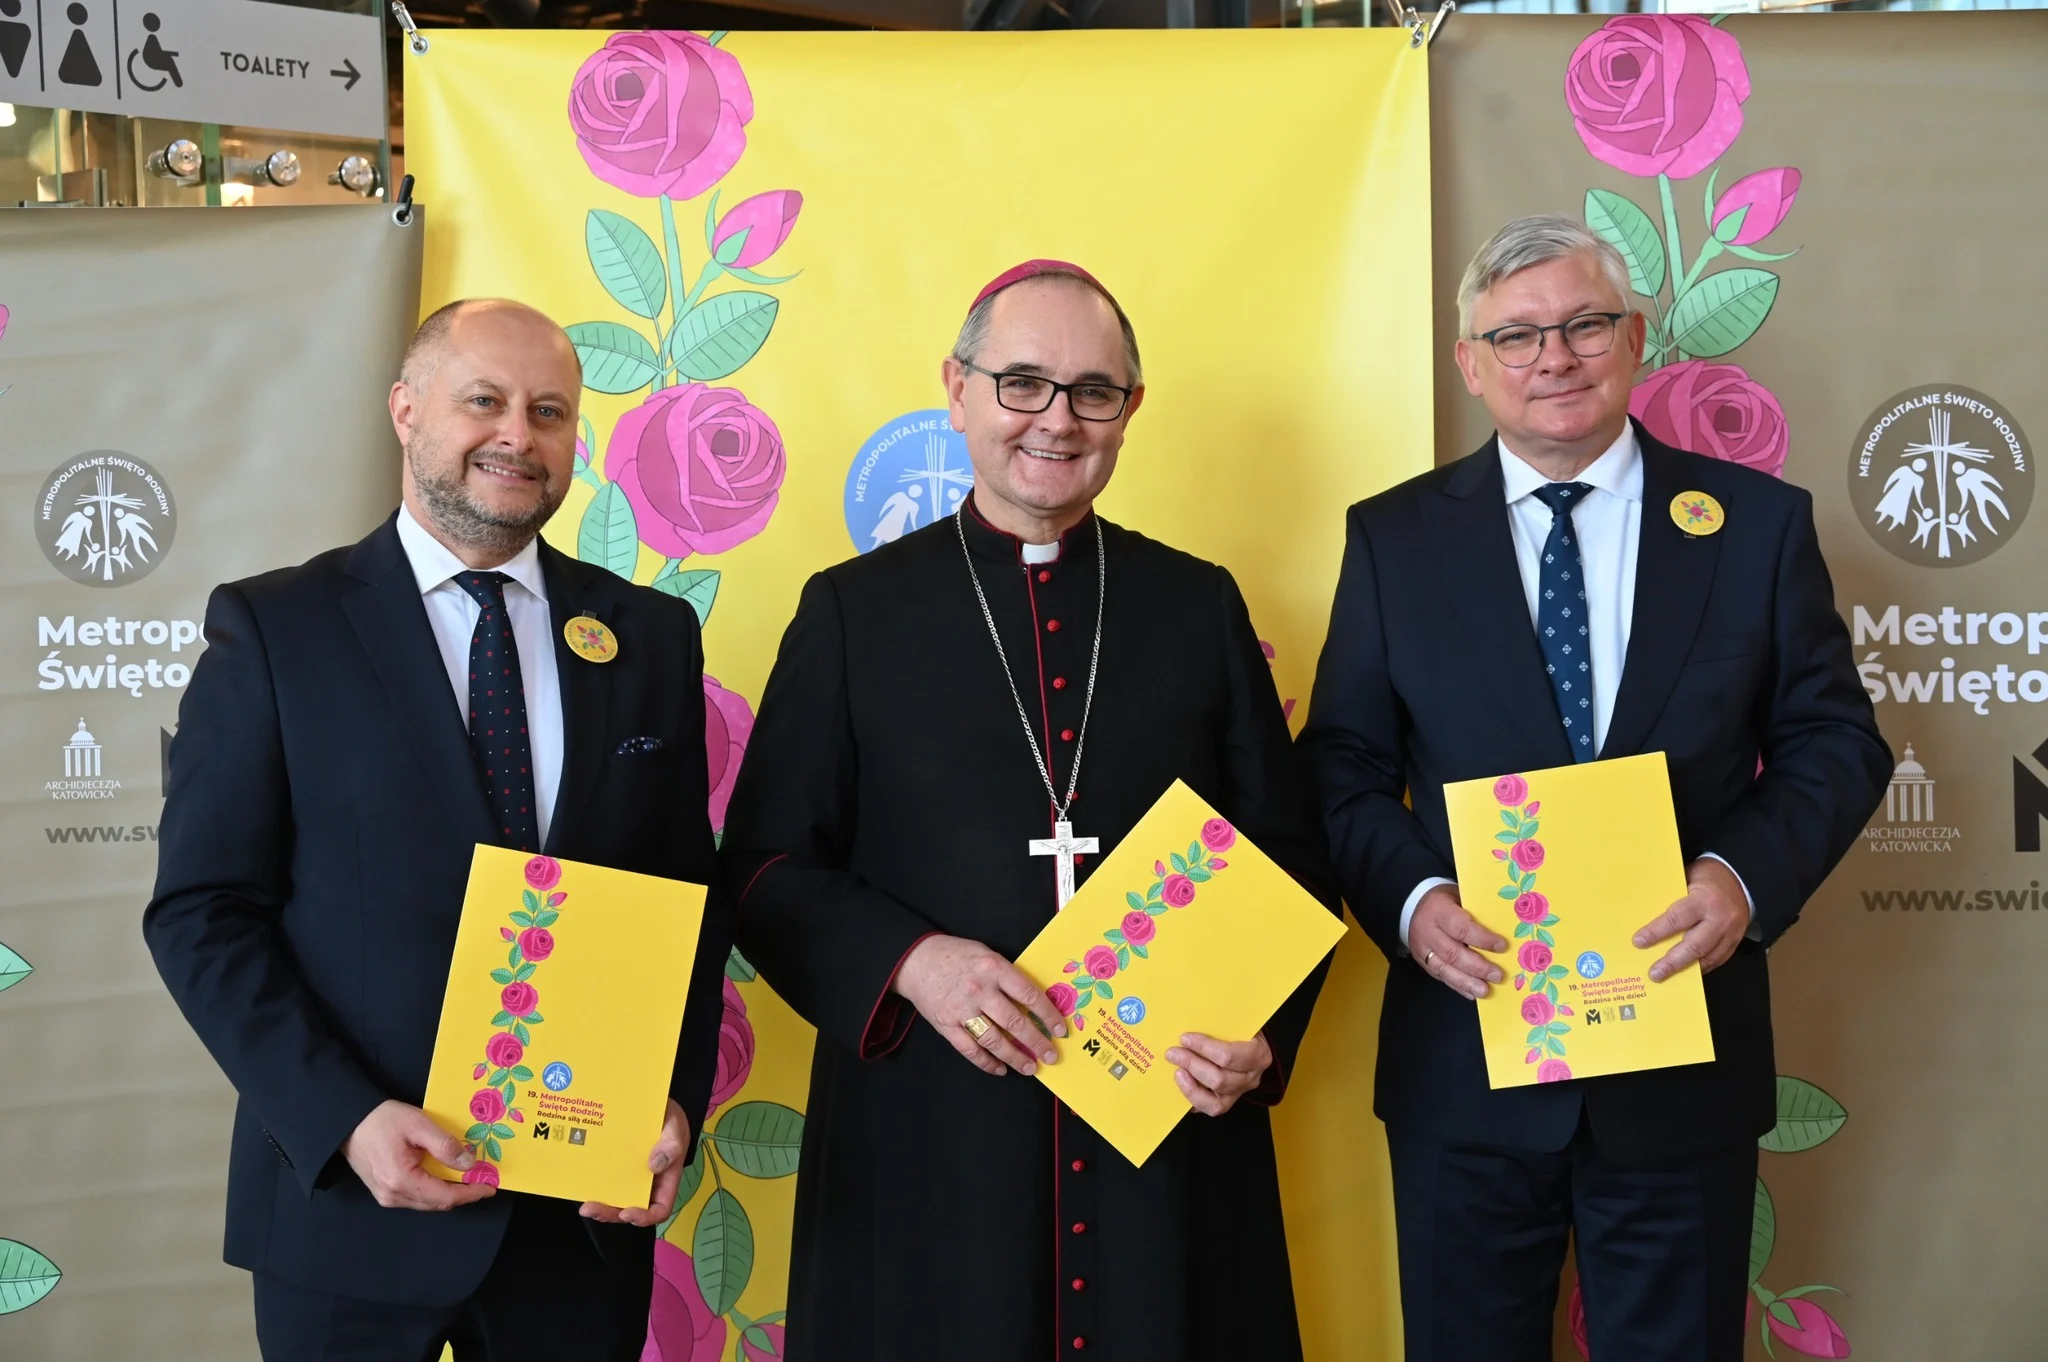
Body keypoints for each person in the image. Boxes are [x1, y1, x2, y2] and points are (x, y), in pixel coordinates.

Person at [722, 260, 1340, 1361]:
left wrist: (1260, 1038)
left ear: (1129, 410)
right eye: (1022, 383)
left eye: (1092, 391)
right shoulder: (854, 613)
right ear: (957, 389)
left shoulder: (1195, 605)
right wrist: (913, 963)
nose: (1057, 420)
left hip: (1164, 1137)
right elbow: (765, 868)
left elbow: (1287, 856)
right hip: (933, 1133)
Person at [1298, 215, 1890, 1362]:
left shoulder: (1755, 527)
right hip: (1465, 1054)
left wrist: (1738, 878)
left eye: (1581, 325)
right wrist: (1413, 904)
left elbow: (1833, 742)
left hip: (1679, 1055)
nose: (1552, 358)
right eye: (1514, 336)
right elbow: (1340, 766)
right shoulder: (1391, 540)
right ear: (1469, 363)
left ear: (1633, 340)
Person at [144, 299, 733, 1361]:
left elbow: (683, 906)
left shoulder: (647, 635)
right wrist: (344, 1120)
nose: (517, 434)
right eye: (484, 400)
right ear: (406, 410)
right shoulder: (277, 628)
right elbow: (202, 913)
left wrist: (672, 1104)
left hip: (576, 1224)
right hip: (348, 1213)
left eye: (548, 411)